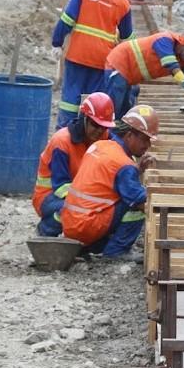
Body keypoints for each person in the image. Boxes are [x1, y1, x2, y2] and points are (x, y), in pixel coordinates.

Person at [61, 105, 159, 263]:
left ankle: (92, 246)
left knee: (128, 197)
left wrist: (137, 170)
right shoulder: (123, 164)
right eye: (145, 139)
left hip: (71, 226)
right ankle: (117, 251)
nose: (148, 146)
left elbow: (108, 181)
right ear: (129, 135)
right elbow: (142, 202)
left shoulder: (100, 145)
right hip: (86, 227)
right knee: (139, 204)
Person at [52, 0, 134, 129]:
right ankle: (89, 133)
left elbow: (67, 20)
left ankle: (64, 131)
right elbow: (127, 34)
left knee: (70, 98)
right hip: (101, 61)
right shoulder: (123, 2)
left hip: (77, 55)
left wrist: (56, 42)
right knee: (94, 99)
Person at [33, 93, 116, 237]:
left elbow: (121, 151)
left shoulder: (104, 136)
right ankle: (47, 231)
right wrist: (90, 201)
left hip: (81, 195)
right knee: (74, 209)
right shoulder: (62, 143)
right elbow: (61, 187)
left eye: (104, 127)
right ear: (84, 119)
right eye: (96, 125)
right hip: (49, 196)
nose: (100, 131)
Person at [104, 29, 184, 118]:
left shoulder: (181, 60)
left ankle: (119, 128)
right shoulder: (164, 40)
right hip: (119, 63)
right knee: (114, 106)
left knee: (125, 108)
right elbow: (171, 64)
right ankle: (109, 129)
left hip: (130, 76)